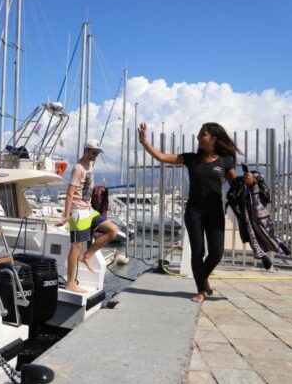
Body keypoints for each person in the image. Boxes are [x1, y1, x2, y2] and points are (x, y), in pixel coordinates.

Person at [138, 122, 253, 302]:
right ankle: (200, 290)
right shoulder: (192, 159)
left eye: (202, 135)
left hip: (214, 212)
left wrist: (249, 180)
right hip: (194, 212)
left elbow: (235, 184)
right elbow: (162, 157)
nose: (198, 137)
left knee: (217, 252)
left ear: (213, 138)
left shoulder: (225, 160)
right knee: (198, 251)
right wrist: (144, 142)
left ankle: (204, 276)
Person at [57, 139, 118, 293]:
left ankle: (87, 256)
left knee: (112, 230)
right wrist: (66, 215)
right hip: (78, 212)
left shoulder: (90, 164)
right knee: (76, 247)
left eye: (97, 152)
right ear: (86, 151)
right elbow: (70, 193)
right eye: (94, 152)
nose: (96, 155)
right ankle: (70, 282)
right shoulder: (78, 168)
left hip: (89, 211)